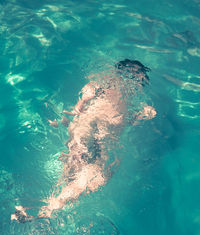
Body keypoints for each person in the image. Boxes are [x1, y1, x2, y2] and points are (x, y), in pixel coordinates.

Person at [11, 59, 156, 223]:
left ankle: (41, 208)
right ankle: (46, 209)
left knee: (87, 171)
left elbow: (122, 119)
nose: (140, 79)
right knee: (93, 174)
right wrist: (141, 115)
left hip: (95, 129)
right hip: (96, 127)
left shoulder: (118, 91)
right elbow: (89, 102)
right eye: (139, 74)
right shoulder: (114, 87)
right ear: (128, 73)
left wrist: (140, 116)